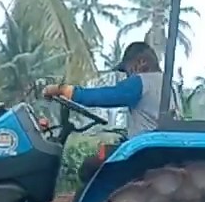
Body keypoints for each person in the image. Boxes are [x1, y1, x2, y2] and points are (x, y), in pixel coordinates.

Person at [42, 41, 164, 188]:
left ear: (141, 62)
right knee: (104, 151)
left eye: (127, 70)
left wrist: (65, 91)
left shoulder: (142, 82)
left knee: (90, 165)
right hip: (152, 145)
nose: (127, 76)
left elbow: (106, 95)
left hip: (142, 151)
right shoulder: (167, 84)